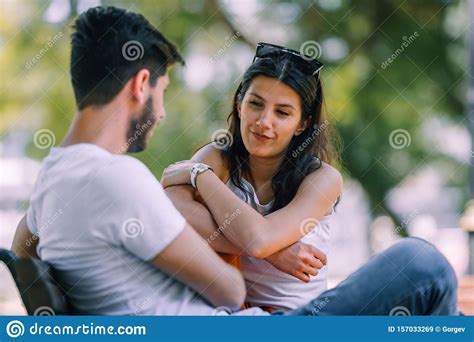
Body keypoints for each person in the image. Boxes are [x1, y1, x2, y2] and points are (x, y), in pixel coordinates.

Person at [11, 6, 458, 316]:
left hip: (285, 315)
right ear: (140, 84)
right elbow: (230, 289)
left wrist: (203, 185)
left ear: (302, 124)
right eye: (163, 92)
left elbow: (22, 247)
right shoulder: (121, 177)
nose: (162, 111)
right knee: (422, 263)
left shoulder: (54, 181)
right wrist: (262, 245)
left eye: (283, 112)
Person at [162, 42, 340, 312]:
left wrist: (199, 174)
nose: (263, 121)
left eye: (282, 112)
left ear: (302, 124)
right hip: (230, 314)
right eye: (256, 104)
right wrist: (276, 253)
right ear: (239, 104)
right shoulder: (218, 157)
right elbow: (170, 207)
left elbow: (260, 240)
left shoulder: (322, 179)